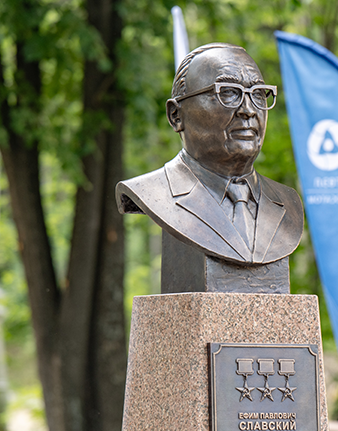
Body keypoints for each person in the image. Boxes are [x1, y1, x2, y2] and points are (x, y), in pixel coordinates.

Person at [116, 43, 303, 266]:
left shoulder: (287, 202)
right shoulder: (153, 193)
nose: (248, 110)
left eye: (258, 94)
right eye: (228, 92)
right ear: (176, 115)